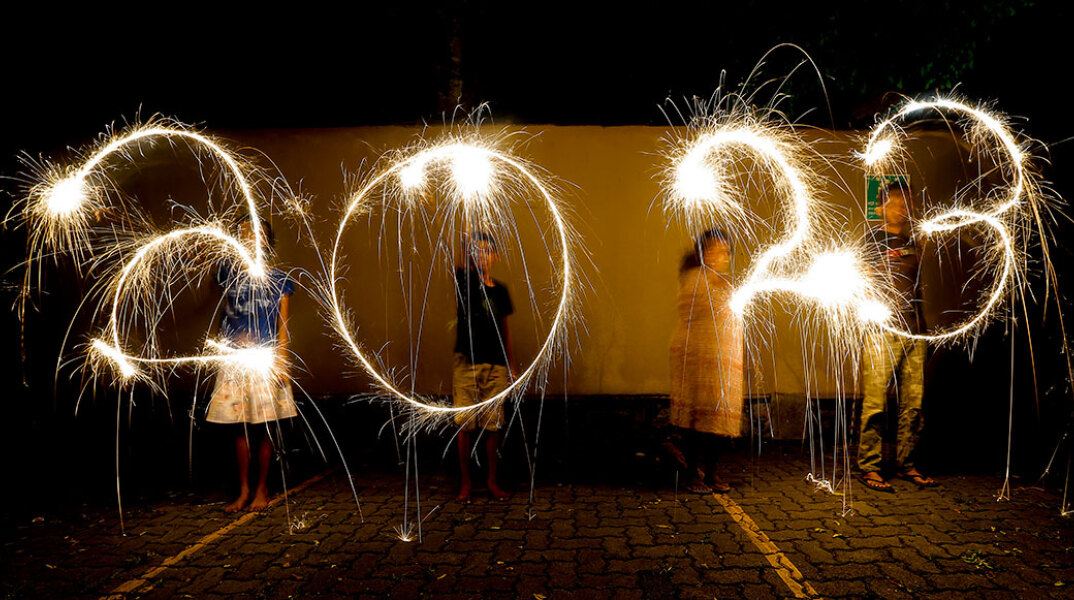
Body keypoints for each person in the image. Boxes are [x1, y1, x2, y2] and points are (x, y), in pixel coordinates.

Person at [205, 216, 297, 512]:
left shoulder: (280, 279)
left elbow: (283, 325)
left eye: (257, 234)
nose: (250, 237)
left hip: (265, 359)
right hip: (234, 360)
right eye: (243, 233)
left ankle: (262, 488)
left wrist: (281, 361)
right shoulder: (227, 272)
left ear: (268, 242)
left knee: (265, 426)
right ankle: (243, 490)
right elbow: (198, 254)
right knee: (239, 427)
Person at [858, 181, 937, 492]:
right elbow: (860, 280)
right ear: (881, 207)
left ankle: (907, 465)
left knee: (913, 404)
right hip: (881, 331)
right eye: (897, 201)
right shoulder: (871, 239)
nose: (905, 206)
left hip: (914, 331)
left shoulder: (915, 242)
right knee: (875, 403)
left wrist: (923, 328)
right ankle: (869, 467)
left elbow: (916, 288)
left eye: (908, 201)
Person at [668, 228, 745, 494]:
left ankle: (712, 471)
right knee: (696, 421)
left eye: (725, 251)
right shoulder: (694, 279)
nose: (720, 256)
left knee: (718, 421)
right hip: (698, 359)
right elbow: (701, 310)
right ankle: (691, 473)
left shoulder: (723, 281)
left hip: (723, 362)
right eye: (714, 250)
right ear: (702, 252)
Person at [452, 231, 514, 502]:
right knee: (465, 424)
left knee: (493, 425)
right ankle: (465, 483)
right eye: (476, 251)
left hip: (496, 365)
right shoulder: (464, 282)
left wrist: (511, 365)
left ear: (496, 257)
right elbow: (461, 261)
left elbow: (505, 329)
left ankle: (491, 481)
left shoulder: (501, 291)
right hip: (466, 363)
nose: (482, 256)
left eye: (487, 251)